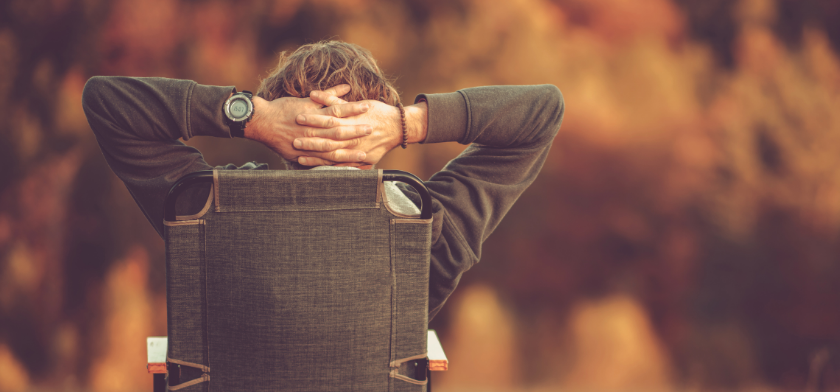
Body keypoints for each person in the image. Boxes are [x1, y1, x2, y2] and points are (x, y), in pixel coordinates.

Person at [82, 40, 563, 318]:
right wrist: (408, 123)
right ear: (372, 123)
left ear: (282, 131)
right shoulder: (427, 228)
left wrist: (250, 117)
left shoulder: (209, 207)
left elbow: (107, 103)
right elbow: (543, 112)